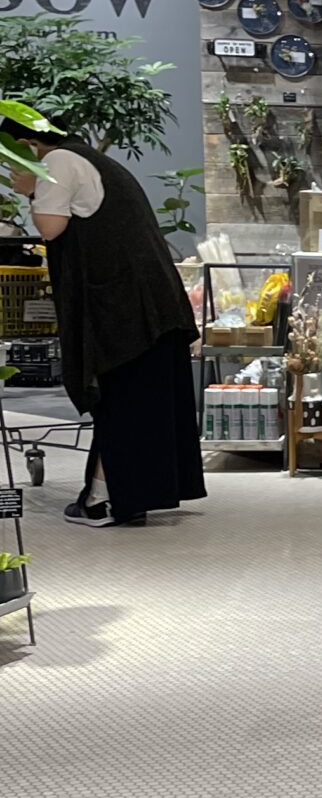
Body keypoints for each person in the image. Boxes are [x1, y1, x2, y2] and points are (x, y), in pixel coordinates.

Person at [7, 115, 205, 529]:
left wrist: (32, 189)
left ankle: (104, 500)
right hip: (151, 303)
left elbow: (50, 227)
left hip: (124, 309)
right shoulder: (95, 160)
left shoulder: (58, 161)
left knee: (121, 402)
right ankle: (121, 498)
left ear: (27, 145)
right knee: (139, 403)